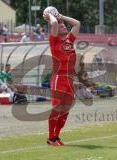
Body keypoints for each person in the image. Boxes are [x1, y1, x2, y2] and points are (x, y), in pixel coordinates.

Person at [43, 12, 80, 146]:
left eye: (64, 26)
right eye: (62, 27)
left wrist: (62, 17)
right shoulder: (54, 40)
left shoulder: (69, 40)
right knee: (57, 107)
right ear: (56, 30)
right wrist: (50, 15)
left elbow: (77, 23)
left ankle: (57, 136)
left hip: (70, 78)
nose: (64, 28)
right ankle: (51, 137)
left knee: (66, 108)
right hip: (59, 77)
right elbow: (53, 24)